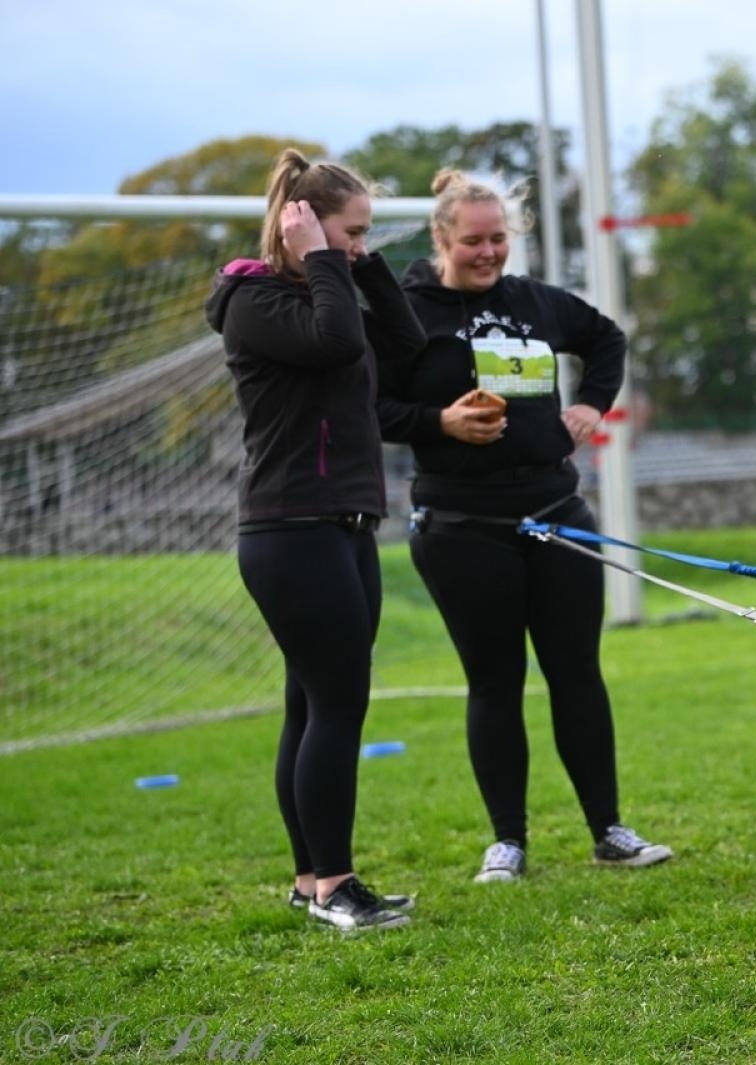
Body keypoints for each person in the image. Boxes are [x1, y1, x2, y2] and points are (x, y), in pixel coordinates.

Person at [377, 169, 672, 882]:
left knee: (577, 673)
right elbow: (370, 409)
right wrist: (440, 422)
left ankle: (610, 830)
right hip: (461, 524)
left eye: (499, 239)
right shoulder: (404, 311)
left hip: (557, 514)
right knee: (495, 680)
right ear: (442, 238)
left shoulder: (534, 302)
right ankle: (508, 841)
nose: (488, 253)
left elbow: (606, 339)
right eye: (473, 240)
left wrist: (592, 407)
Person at [205, 148, 426, 931]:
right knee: (338, 704)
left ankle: (311, 882)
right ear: (303, 227)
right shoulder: (254, 300)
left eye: (367, 234)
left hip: (345, 526)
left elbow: (405, 350)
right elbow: (333, 342)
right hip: (291, 527)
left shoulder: (332, 288)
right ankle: (334, 885)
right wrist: (324, 264)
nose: (361, 246)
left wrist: (357, 266)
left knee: (311, 705)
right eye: (351, 231)